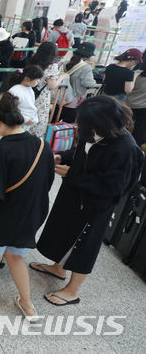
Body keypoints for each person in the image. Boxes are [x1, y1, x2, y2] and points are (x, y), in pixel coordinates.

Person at [31, 96, 143, 306]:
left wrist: (72, 174)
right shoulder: (91, 131)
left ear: (103, 123)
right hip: (75, 193)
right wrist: (62, 157)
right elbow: (81, 153)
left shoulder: (125, 148)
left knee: (83, 245)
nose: (78, 125)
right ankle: (59, 268)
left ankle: (73, 291)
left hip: (95, 205)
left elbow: (113, 187)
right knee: (64, 231)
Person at [0, 93, 55, 320]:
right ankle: (27, 305)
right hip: (29, 215)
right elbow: (47, 182)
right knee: (16, 258)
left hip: (1, 216)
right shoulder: (42, 146)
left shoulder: (0, 150)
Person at [25, 42, 63, 138]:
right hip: (41, 97)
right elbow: (51, 85)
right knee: (38, 122)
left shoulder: (33, 60)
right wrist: (61, 78)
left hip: (27, 92)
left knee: (26, 118)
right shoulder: (52, 66)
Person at [57, 42, 98, 123]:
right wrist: (97, 84)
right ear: (88, 56)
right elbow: (88, 83)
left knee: (54, 120)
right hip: (73, 101)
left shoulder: (64, 63)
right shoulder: (86, 68)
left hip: (59, 97)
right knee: (68, 124)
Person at [7, 65, 44, 132]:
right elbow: (10, 110)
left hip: (25, 123)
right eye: (37, 79)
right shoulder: (15, 91)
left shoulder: (29, 89)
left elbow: (29, 107)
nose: (38, 81)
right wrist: (25, 119)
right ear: (27, 79)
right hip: (16, 123)